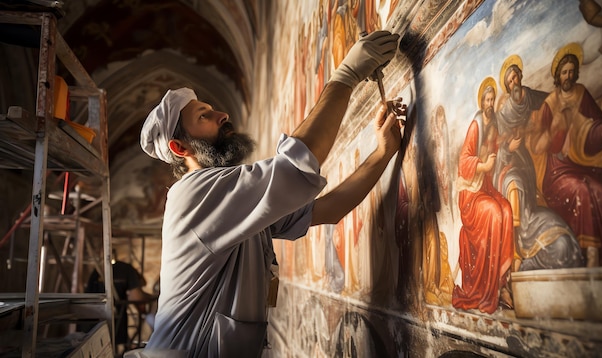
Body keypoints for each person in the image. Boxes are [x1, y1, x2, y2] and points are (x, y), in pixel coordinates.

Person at [135, 30, 402, 357]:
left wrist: (383, 153)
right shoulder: (192, 196)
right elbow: (295, 166)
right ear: (181, 147)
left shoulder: (232, 202)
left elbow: (327, 210)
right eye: (204, 116)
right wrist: (345, 76)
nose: (223, 116)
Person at [532, 43, 602, 267]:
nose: (568, 76)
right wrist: (556, 127)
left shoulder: (582, 93)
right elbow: (537, 146)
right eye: (564, 72)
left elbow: (596, 121)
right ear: (558, 75)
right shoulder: (550, 104)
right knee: (583, 190)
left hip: (582, 161)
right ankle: (589, 256)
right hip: (556, 171)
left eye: (572, 71)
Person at [494, 55, 583, 272]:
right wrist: (508, 148)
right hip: (509, 166)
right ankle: (515, 258)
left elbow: (551, 101)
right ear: (507, 87)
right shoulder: (503, 114)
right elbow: (497, 146)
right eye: (510, 81)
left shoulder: (530, 97)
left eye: (516, 77)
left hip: (528, 163)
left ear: (521, 77)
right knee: (516, 187)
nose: (514, 83)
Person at [453, 77, 514, 314]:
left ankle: (501, 282)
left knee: (506, 210)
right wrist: (482, 166)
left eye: (492, 99)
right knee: (493, 213)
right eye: (487, 100)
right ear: (481, 101)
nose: (490, 103)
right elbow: (463, 160)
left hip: (485, 186)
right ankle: (488, 289)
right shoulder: (476, 125)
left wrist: (509, 147)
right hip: (470, 193)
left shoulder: (494, 124)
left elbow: (498, 150)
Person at [86, 252, 155, 353]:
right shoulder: (128, 271)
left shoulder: (98, 271)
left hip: (92, 317)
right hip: (113, 318)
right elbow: (136, 297)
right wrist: (151, 297)